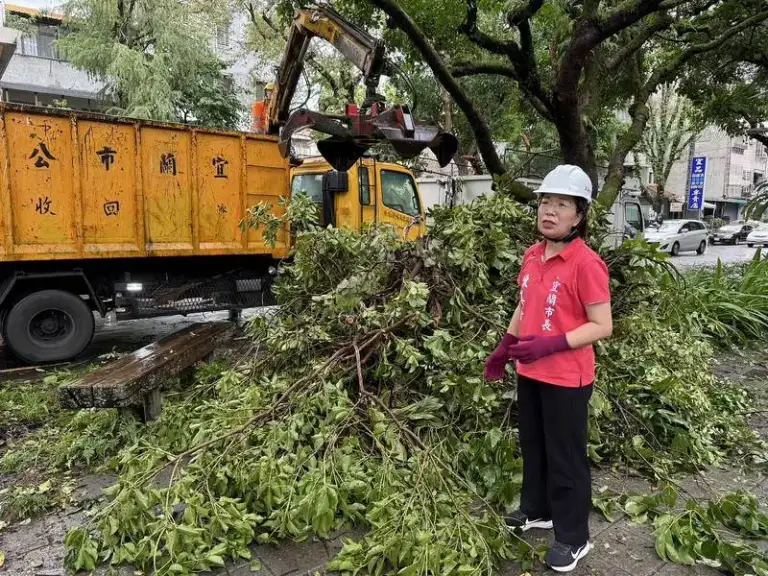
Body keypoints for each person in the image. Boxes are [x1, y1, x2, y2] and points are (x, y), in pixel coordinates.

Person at [483, 165, 613, 573]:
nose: (550, 211)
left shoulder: (586, 264)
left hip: (567, 378)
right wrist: (506, 346)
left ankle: (574, 537)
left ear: (579, 215)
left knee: (566, 456)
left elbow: (603, 325)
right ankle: (537, 509)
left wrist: (553, 342)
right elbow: (525, 305)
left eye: (561, 204)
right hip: (531, 373)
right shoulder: (533, 255)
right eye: (545, 202)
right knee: (534, 446)